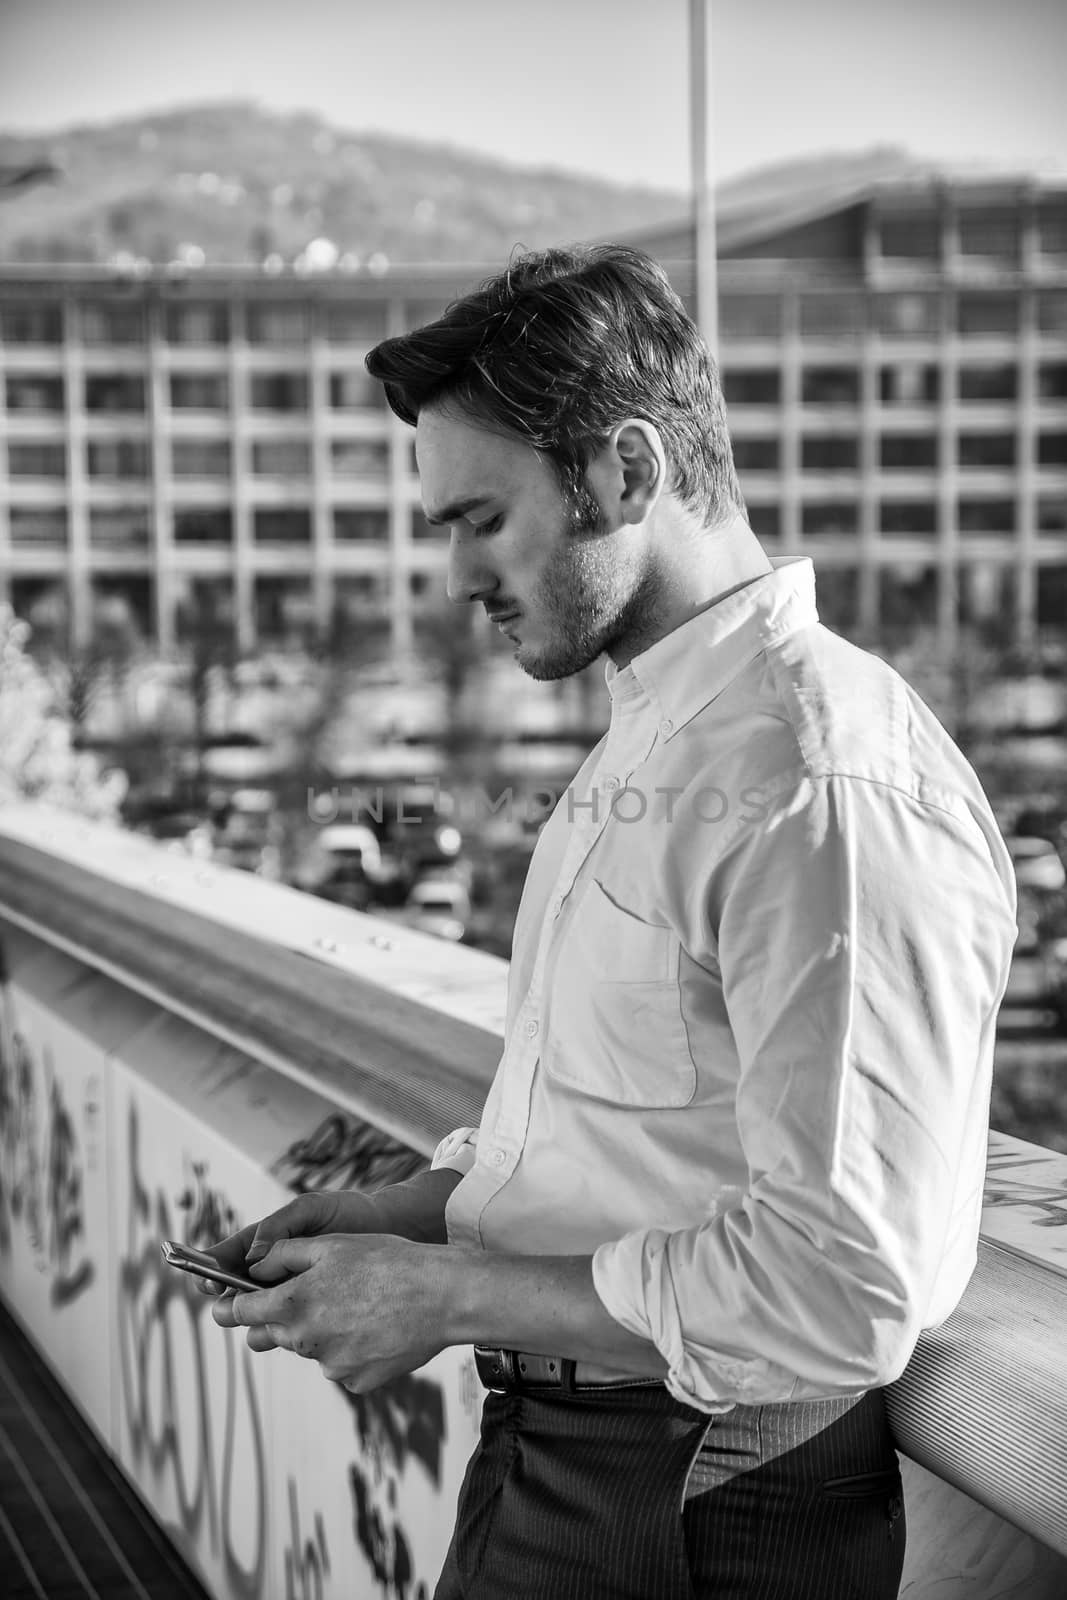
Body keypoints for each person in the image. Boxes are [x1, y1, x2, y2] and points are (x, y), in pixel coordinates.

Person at [205, 245, 1017, 1599]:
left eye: (482, 520)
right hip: (572, 1453)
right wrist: (417, 1215)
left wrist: (442, 1299)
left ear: (627, 474)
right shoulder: (667, 737)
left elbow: (845, 1285)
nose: (459, 580)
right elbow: (636, 1132)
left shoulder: (818, 782)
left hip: (702, 1488)